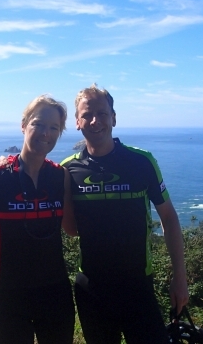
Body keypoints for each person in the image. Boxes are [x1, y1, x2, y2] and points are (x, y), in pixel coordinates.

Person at [60, 84, 189, 344]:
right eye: (87, 115)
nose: (95, 121)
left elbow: (169, 218)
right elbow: (71, 229)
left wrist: (180, 276)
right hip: (91, 289)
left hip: (138, 287)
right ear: (77, 122)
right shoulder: (67, 170)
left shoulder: (142, 162)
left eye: (102, 113)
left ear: (114, 118)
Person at [0, 95, 77, 344]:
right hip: (9, 296)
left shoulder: (61, 177)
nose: (46, 133)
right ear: (23, 125)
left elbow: (72, 229)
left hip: (55, 293)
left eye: (54, 128)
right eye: (38, 124)